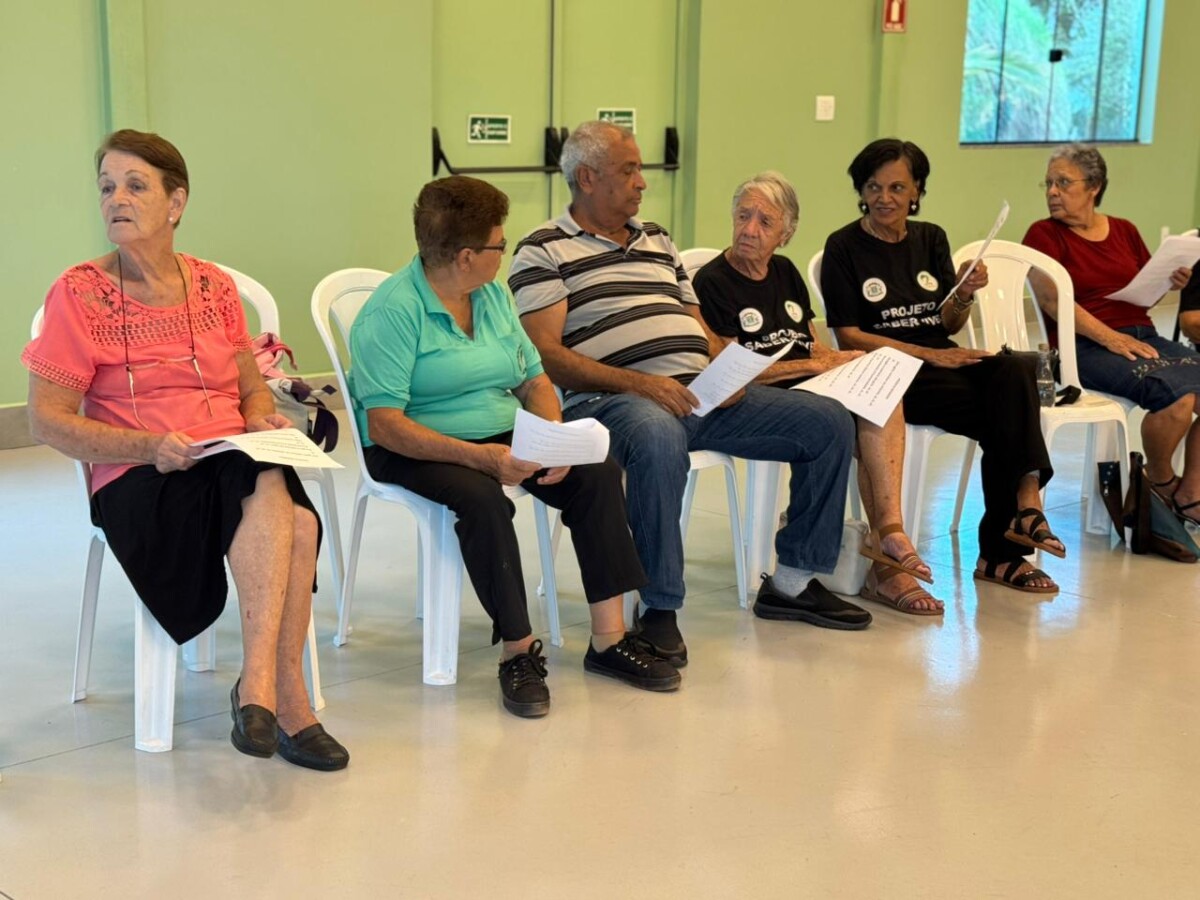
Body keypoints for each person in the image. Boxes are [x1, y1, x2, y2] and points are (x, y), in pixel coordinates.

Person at [22, 129, 347, 770]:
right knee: (294, 516)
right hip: (138, 474)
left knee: (275, 486)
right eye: (107, 187)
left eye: (135, 186)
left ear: (176, 203)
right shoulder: (78, 293)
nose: (116, 199)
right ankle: (281, 698)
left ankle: (263, 691)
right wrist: (149, 446)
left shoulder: (213, 286)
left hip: (226, 459)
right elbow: (46, 422)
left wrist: (257, 417)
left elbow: (250, 386)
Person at [510, 121, 867, 667]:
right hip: (609, 402)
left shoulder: (656, 238)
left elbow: (697, 325)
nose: (642, 182)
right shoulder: (543, 249)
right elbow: (546, 356)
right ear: (586, 178)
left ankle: (792, 584)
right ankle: (658, 608)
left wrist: (727, 372)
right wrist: (641, 383)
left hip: (696, 394)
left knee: (828, 421)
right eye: (629, 170)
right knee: (657, 436)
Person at [347, 175, 679, 719]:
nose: (505, 253)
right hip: (414, 443)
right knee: (482, 499)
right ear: (466, 256)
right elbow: (385, 424)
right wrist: (478, 457)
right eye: (499, 245)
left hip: (499, 431)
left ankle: (609, 640)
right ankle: (518, 653)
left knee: (596, 473)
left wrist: (552, 438)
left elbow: (533, 380)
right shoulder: (392, 312)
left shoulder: (493, 295)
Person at [822, 138, 1064, 594]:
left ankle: (1020, 515)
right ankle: (1006, 546)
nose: (884, 198)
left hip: (939, 364)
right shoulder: (843, 246)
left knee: (1015, 373)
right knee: (1005, 415)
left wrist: (965, 293)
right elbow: (849, 335)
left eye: (897, 187)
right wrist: (929, 354)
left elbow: (948, 321)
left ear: (917, 190)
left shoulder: (931, 238)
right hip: (887, 373)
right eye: (873, 187)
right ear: (861, 190)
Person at [693, 171, 941, 615]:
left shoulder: (785, 272)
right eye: (743, 216)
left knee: (885, 396)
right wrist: (813, 365)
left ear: (785, 235)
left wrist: (841, 361)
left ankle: (890, 532)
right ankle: (863, 562)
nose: (749, 229)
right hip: (764, 396)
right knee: (833, 421)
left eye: (765, 222)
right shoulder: (713, 281)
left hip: (811, 384)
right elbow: (731, 372)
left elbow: (811, 342)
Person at [1022, 144, 1200, 526]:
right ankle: (1160, 481)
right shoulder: (1043, 234)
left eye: (1063, 182)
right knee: (1178, 399)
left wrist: (1171, 281)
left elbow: (1144, 292)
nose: (1052, 191)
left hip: (1140, 334)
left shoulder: (1124, 230)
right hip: (1082, 347)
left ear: (1094, 187)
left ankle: (1191, 493)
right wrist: (1110, 338)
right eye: (1049, 183)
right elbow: (1052, 301)